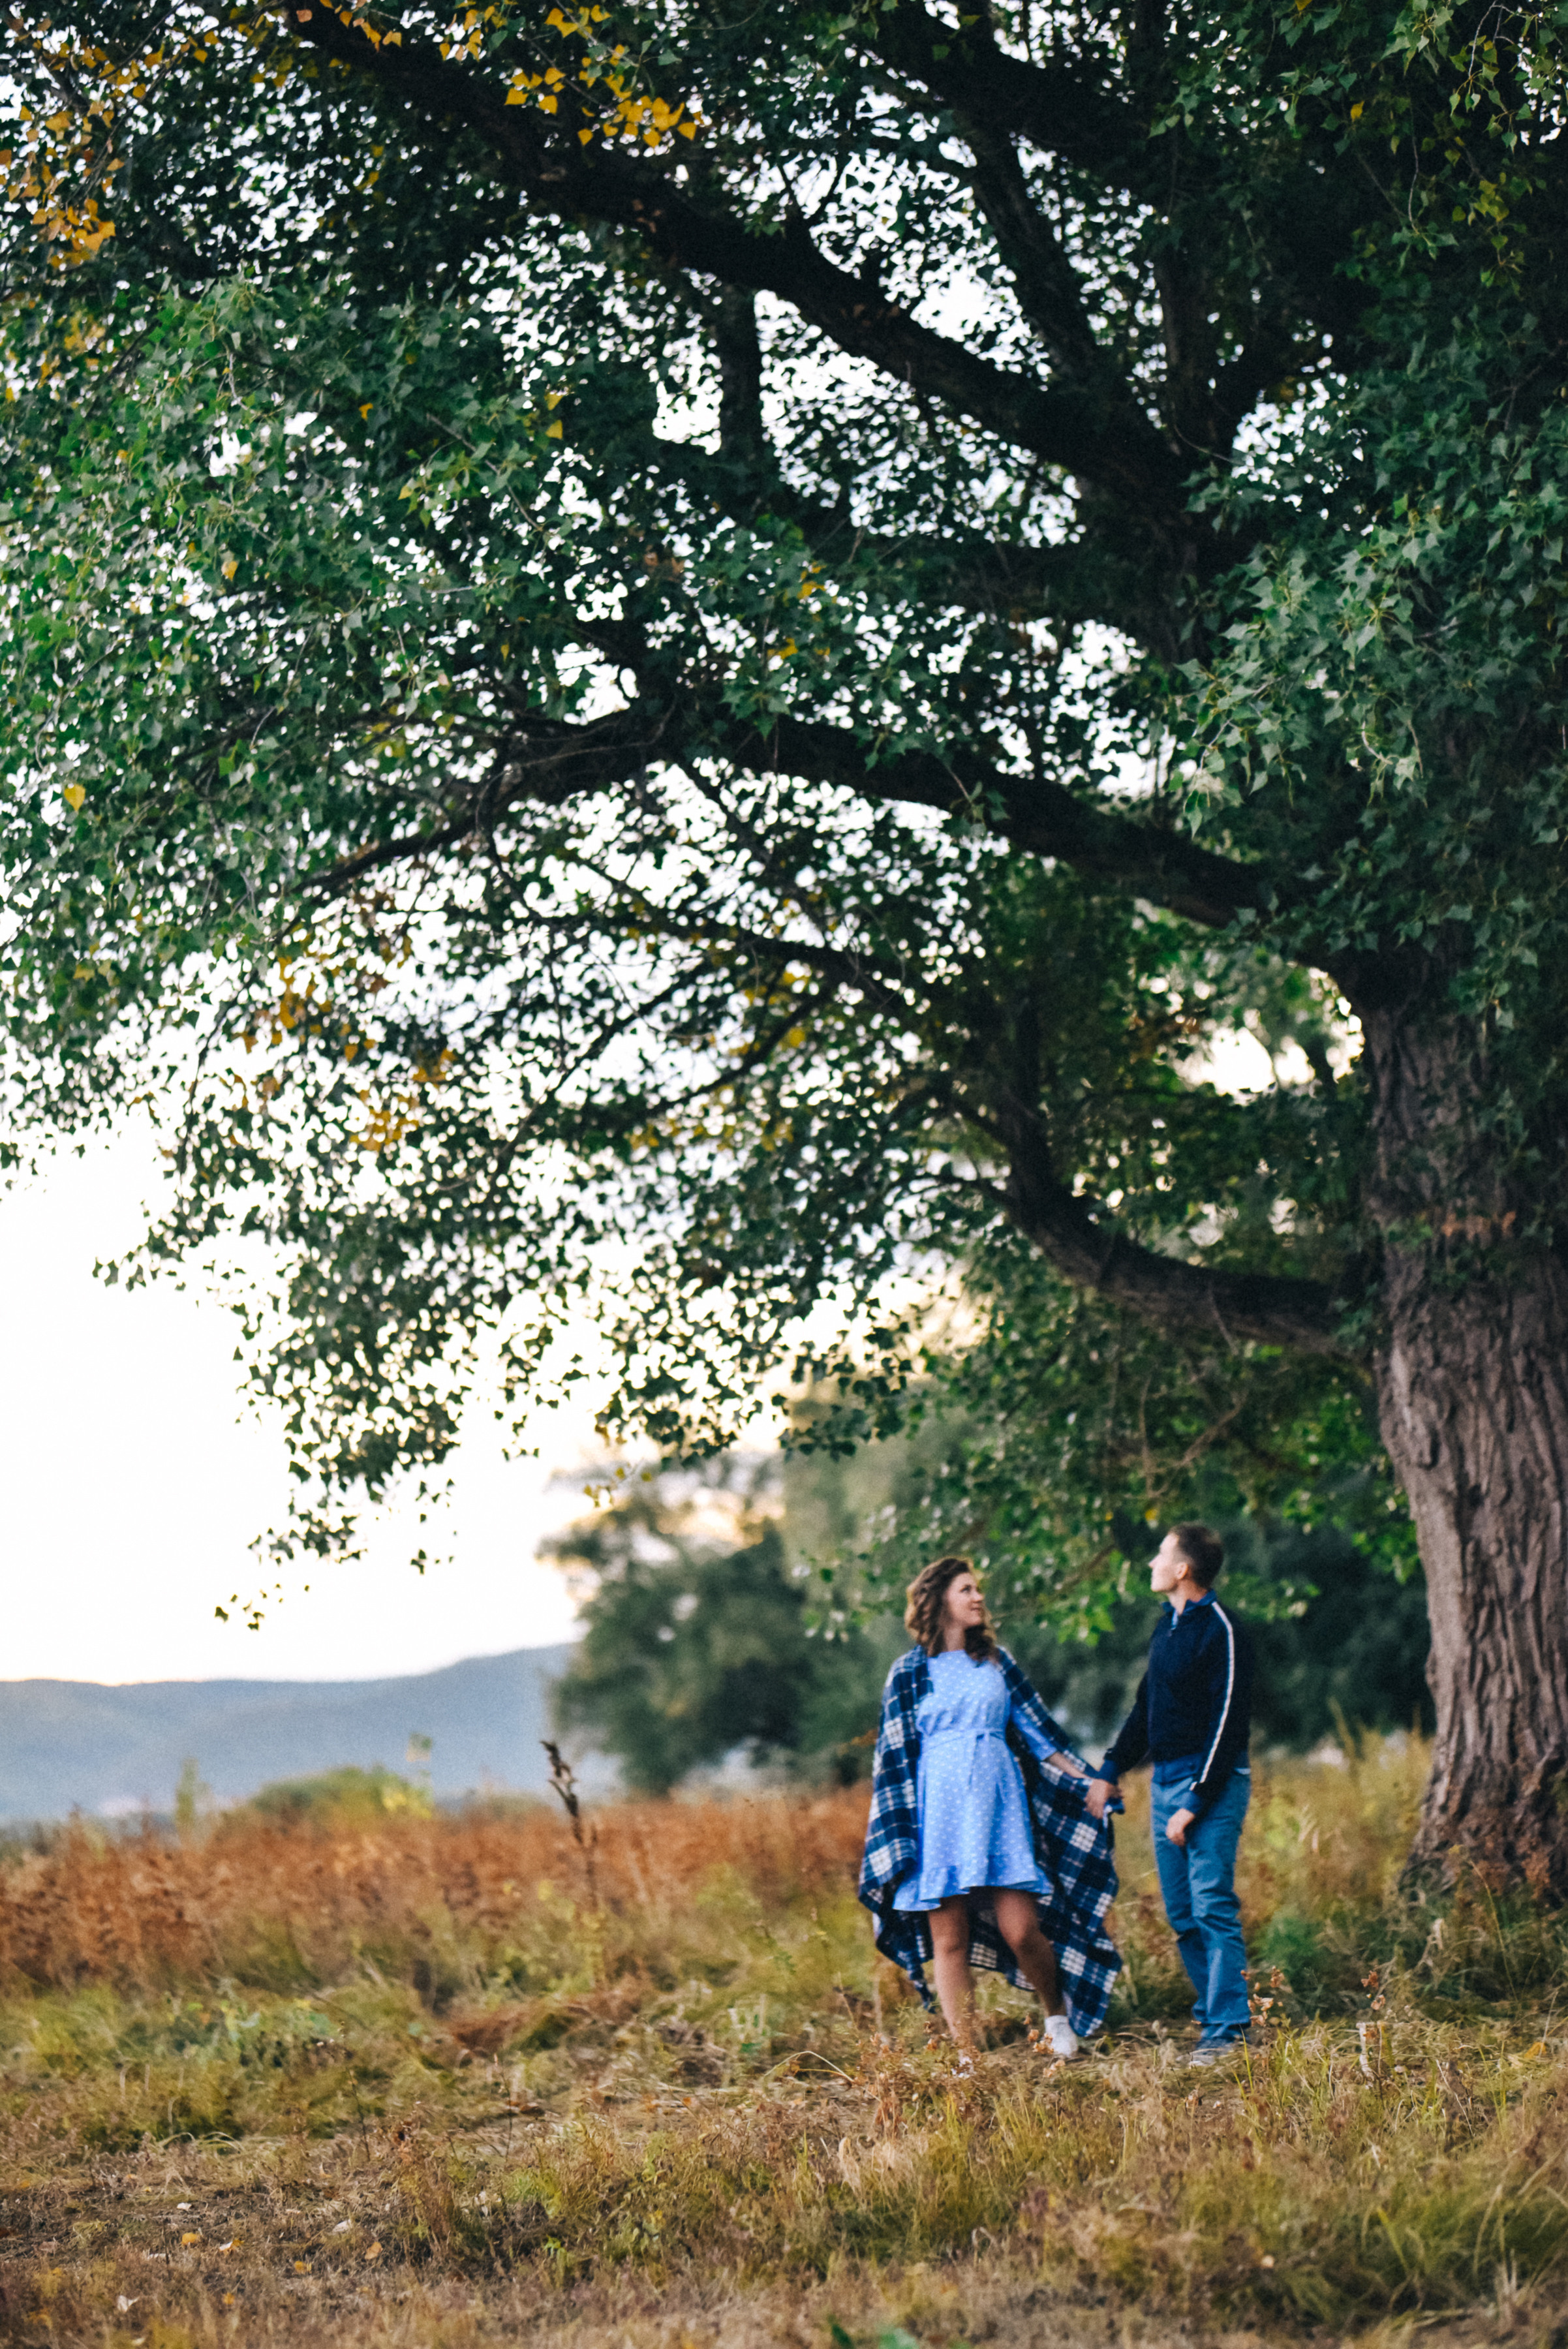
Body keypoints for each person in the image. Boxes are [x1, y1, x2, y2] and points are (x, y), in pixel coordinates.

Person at [859, 1554, 1121, 2059]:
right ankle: (966, 2055)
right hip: (937, 1819)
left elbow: (1042, 1736)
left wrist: (1089, 1780)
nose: (977, 1597)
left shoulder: (997, 1664)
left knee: (1022, 1930)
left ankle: (1057, 2018)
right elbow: (892, 1761)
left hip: (999, 1812)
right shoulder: (909, 1673)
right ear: (938, 1601)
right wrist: (899, 1837)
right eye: (965, 1590)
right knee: (949, 1940)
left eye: (977, 1589)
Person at [1085, 1522, 1254, 2067]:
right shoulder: (1167, 1630)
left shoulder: (1221, 1630)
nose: (1151, 1563)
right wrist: (1111, 1767)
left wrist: (1194, 1802)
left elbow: (1228, 1726)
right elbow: (1145, 1709)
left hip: (1211, 1784)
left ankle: (1228, 2032)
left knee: (1211, 1905)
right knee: (1182, 1914)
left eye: (1161, 1554)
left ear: (1183, 1569)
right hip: (1164, 1782)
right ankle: (1214, 2023)